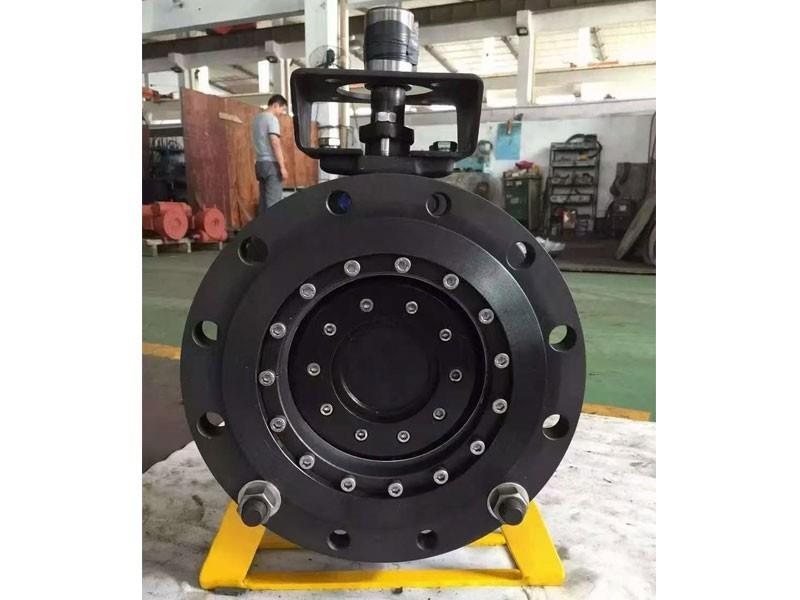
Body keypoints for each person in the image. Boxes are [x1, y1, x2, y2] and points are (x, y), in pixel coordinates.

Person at [252, 94, 289, 212]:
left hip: (260, 164)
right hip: (271, 164)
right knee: (274, 204)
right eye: (282, 109)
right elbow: (275, 142)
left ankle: (262, 224)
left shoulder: (257, 119)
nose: (282, 112)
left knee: (263, 201)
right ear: (275, 105)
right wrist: (282, 167)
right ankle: (273, 224)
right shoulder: (272, 119)